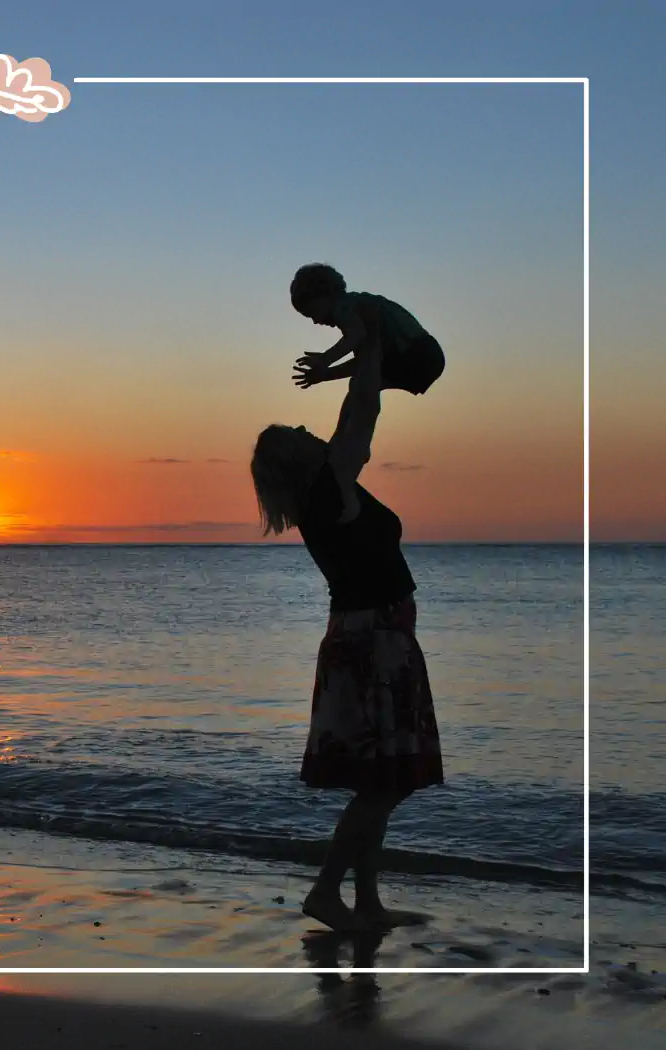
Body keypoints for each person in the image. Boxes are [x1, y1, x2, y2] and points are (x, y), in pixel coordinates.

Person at [250, 330, 444, 932]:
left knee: (381, 779)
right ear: (298, 460)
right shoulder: (330, 489)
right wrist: (371, 359)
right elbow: (362, 410)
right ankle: (326, 892)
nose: (314, 436)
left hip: (372, 640)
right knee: (384, 787)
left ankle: (367, 902)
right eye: (302, 437)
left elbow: (356, 413)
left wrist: (363, 361)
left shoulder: (327, 493)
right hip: (372, 645)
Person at [289, 263, 445, 397]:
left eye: (312, 312)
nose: (316, 321)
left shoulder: (345, 307)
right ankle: (345, 431)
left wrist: (325, 359)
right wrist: (325, 375)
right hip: (426, 356)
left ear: (325, 294)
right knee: (362, 384)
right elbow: (364, 361)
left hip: (417, 353)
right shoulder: (357, 312)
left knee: (361, 386)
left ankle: (349, 432)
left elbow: (356, 335)